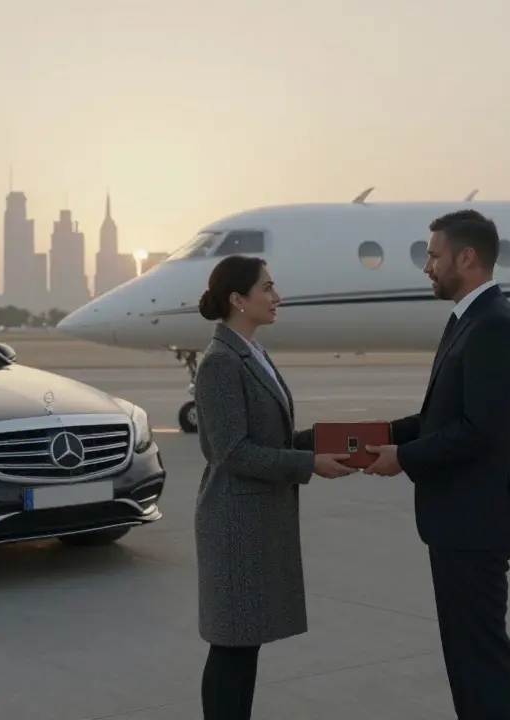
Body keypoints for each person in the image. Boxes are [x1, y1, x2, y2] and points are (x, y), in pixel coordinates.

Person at [364, 209, 510, 720]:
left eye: (434, 255)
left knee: (479, 658)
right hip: (458, 522)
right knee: (465, 656)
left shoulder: (494, 327)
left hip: (475, 525)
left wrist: (404, 458)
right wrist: (376, 437)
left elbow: (481, 431)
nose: (427, 267)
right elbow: (441, 417)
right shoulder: (468, 320)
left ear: (467, 257)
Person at [191, 254, 355, 720]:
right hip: (235, 523)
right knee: (232, 647)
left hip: (257, 520)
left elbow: (273, 437)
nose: (276, 296)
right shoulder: (221, 362)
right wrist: (310, 464)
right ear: (238, 300)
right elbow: (235, 453)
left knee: (245, 645)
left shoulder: (252, 353)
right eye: (267, 288)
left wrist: (337, 440)